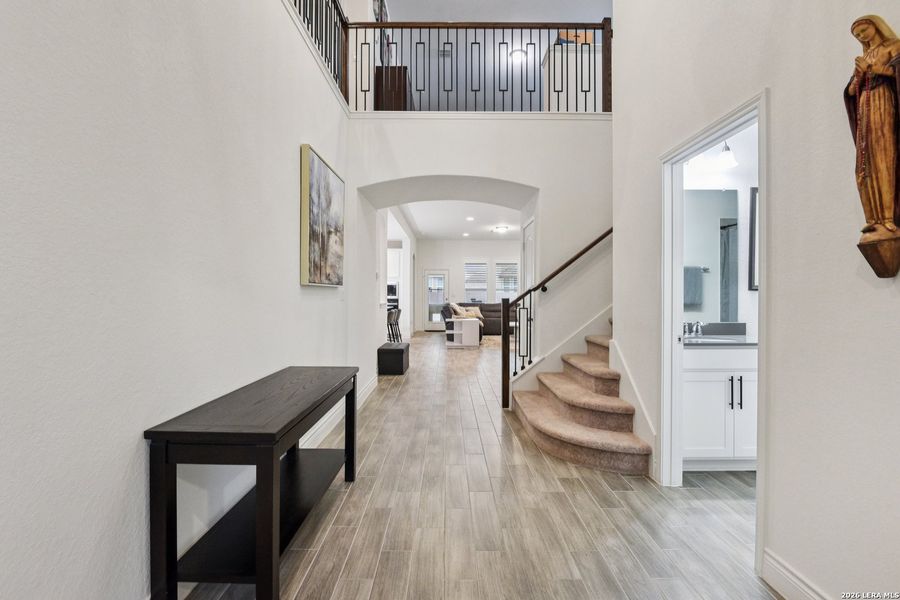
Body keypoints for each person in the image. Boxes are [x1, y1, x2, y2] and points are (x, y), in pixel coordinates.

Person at [844, 15, 900, 242]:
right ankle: (872, 219)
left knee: (883, 158)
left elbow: (896, 74)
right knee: (864, 164)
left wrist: (876, 69)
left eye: (864, 30)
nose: (861, 36)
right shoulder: (863, 56)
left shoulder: (893, 47)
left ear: (876, 26)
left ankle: (887, 217)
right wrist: (858, 77)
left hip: (882, 103)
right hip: (865, 107)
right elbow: (850, 92)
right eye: (857, 35)